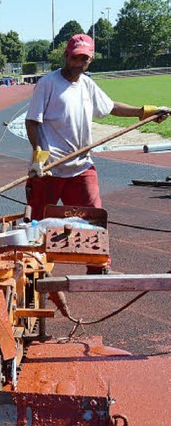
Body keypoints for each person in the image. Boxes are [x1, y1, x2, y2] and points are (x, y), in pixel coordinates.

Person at [25, 33, 168, 273]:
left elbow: (110, 107)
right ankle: (31, 268)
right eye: (75, 58)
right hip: (48, 170)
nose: (79, 64)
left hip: (81, 166)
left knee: (94, 220)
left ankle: (98, 266)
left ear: (89, 61)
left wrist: (145, 112)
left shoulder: (87, 84)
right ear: (66, 55)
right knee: (36, 223)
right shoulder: (47, 84)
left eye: (85, 59)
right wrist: (39, 156)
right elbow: (33, 122)